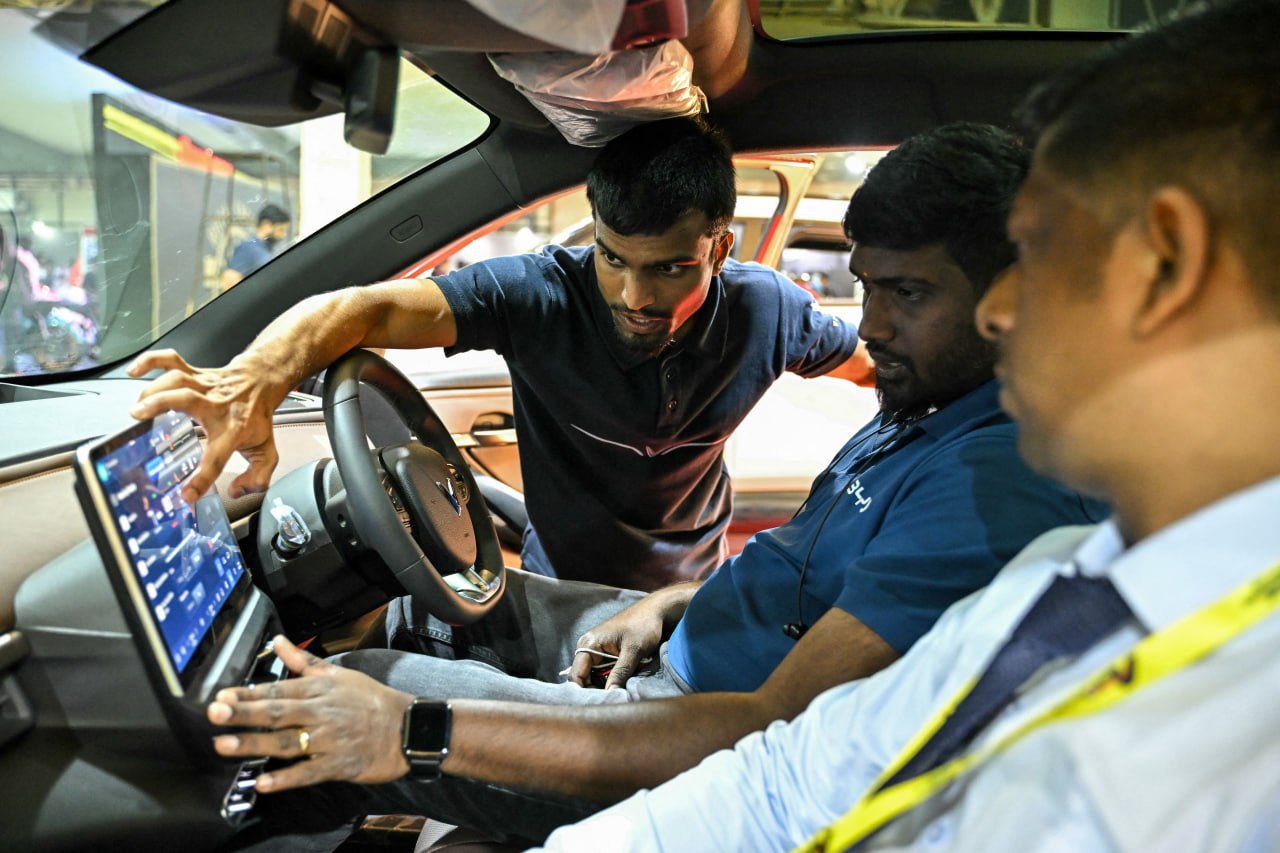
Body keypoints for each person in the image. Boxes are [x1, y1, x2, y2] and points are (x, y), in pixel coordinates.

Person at [191, 122, 1107, 849]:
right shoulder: (929, 400)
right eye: (866, 287)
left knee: (346, 694)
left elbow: (769, 738)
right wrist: (673, 605)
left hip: (694, 729)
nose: (870, 325)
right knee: (421, 616)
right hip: (677, 636)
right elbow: (365, 307)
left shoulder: (996, 482)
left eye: (907, 295)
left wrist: (411, 727)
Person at [527, 1, 1280, 849]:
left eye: (1040, 255)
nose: (1002, 312)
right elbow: (789, 780)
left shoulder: (1217, 699)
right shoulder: (1067, 571)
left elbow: (781, 758)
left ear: (1168, 262)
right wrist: (673, 603)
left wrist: (424, 734)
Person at [132, 116, 870, 593]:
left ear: (720, 247)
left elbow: (876, 368)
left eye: (671, 268)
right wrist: (257, 376)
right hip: (558, 588)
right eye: (613, 258)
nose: (634, 295)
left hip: (690, 594)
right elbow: (365, 308)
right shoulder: (537, 294)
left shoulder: (768, 310)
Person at [219, 203, 291, 291]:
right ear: (266, 225)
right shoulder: (248, 248)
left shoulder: (266, 250)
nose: (283, 235)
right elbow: (229, 280)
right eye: (280, 230)